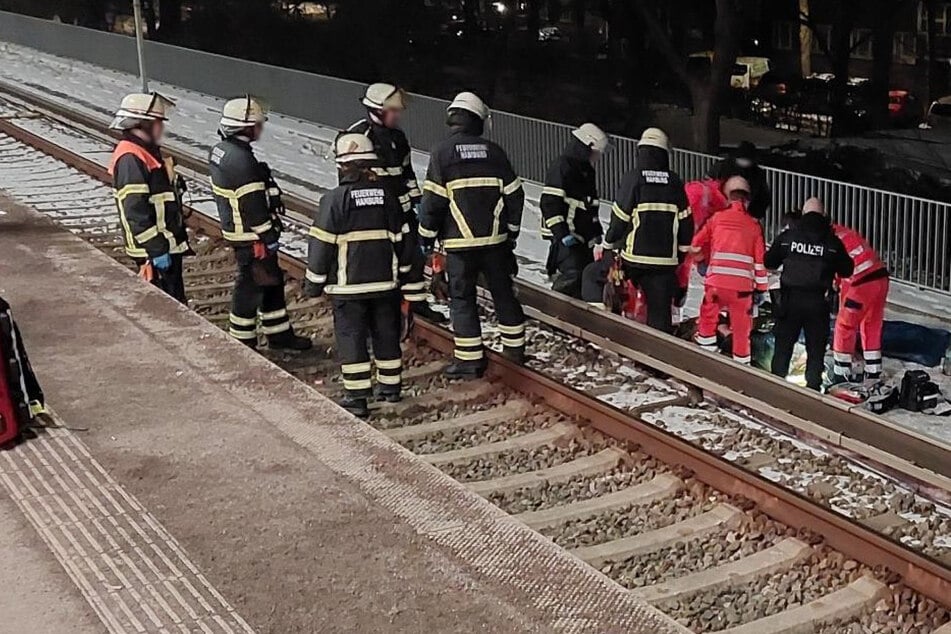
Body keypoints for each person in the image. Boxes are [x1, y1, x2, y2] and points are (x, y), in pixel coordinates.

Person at [303, 133, 420, 417]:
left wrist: (314, 285)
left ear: (343, 166)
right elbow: (404, 242)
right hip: (386, 286)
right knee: (386, 334)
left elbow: (321, 246)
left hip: (348, 289)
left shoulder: (333, 200)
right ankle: (391, 388)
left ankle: (357, 397)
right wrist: (406, 280)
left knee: (351, 338)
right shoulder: (389, 198)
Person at [418, 91, 526, 378]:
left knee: (462, 298)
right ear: (478, 120)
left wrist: (426, 239)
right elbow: (515, 196)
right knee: (503, 294)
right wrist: (511, 233)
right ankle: (515, 350)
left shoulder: (442, 154)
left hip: (458, 245)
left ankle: (469, 361)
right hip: (495, 243)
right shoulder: (495, 152)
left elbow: (433, 202)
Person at [209, 96, 312, 351]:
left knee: (271, 281)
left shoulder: (224, 150)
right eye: (257, 123)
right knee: (251, 285)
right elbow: (253, 206)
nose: (261, 127)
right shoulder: (241, 161)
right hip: (251, 237)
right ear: (245, 127)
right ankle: (242, 340)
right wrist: (268, 236)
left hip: (241, 231)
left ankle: (279, 334)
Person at [343, 83, 442, 323]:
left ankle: (416, 301)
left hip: (403, 212)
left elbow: (406, 173)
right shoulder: (357, 137)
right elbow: (349, 181)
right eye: (393, 111)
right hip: (374, 214)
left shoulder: (397, 137)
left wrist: (417, 202)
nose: (397, 116)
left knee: (413, 256)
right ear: (377, 110)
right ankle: (386, 302)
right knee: (383, 259)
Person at [604, 127, 693, 333]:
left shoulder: (633, 179)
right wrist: (680, 253)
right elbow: (686, 222)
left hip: (634, 259)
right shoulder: (675, 182)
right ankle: (656, 357)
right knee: (660, 313)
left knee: (622, 298)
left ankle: (624, 339)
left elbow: (619, 218)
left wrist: (609, 244)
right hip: (664, 262)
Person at [108, 92, 190, 302]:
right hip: (155, 252)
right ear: (143, 124)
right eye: (157, 122)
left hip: (163, 247)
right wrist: (156, 249)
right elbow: (135, 211)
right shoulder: (131, 157)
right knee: (169, 309)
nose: (161, 128)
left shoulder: (143, 151)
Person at [765, 197, 853, 390]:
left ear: (803, 214)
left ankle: (776, 388)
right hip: (817, 303)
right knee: (816, 350)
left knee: (783, 346)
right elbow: (847, 270)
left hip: (789, 301)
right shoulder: (832, 241)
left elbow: (769, 261)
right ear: (824, 216)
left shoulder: (789, 237)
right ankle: (812, 391)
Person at [690, 177, 767, 365]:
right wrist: (762, 289)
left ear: (729, 199)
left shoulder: (716, 219)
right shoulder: (754, 226)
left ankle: (705, 359)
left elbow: (695, 245)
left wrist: (701, 262)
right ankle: (741, 368)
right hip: (741, 290)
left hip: (715, 284)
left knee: (707, 321)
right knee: (742, 331)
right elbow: (760, 263)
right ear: (746, 202)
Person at [540, 123, 608, 298]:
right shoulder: (563, 166)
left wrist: (595, 231)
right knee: (573, 273)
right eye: (597, 152)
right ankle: (556, 311)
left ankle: (572, 316)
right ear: (588, 145)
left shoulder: (586, 171)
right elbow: (550, 203)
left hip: (581, 235)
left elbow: (590, 206)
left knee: (584, 276)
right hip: (566, 234)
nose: (598, 156)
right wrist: (562, 233)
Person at [831, 221, 889, 382]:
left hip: (861, 283)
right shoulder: (843, 232)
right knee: (871, 325)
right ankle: (873, 372)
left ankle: (841, 375)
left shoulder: (826, 239)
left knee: (844, 326)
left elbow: (837, 274)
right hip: (880, 278)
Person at [708, 141, 771, 220]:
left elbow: (763, 197)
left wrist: (756, 215)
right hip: (722, 210)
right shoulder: (722, 167)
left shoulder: (757, 174)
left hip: (744, 214)